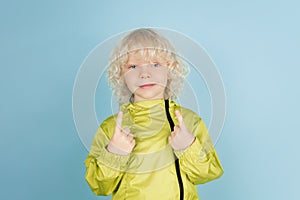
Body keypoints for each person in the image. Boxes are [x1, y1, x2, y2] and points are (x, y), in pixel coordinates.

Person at [84, 28, 223, 199]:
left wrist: (188, 147)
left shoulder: (189, 122)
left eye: (155, 64)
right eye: (133, 66)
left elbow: (208, 174)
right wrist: (114, 153)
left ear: (170, 70)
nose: (144, 74)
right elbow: (99, 186)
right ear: (121, 75)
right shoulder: (111, 128)